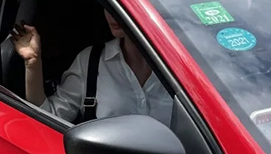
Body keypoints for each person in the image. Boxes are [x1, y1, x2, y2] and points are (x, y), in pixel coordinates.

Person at [10, 9, 173, 126]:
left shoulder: (178, 62)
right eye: (108, 5)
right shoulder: (91, 61)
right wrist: (33, 63)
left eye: (120, 6)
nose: (112, 14)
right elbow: (47, 117)